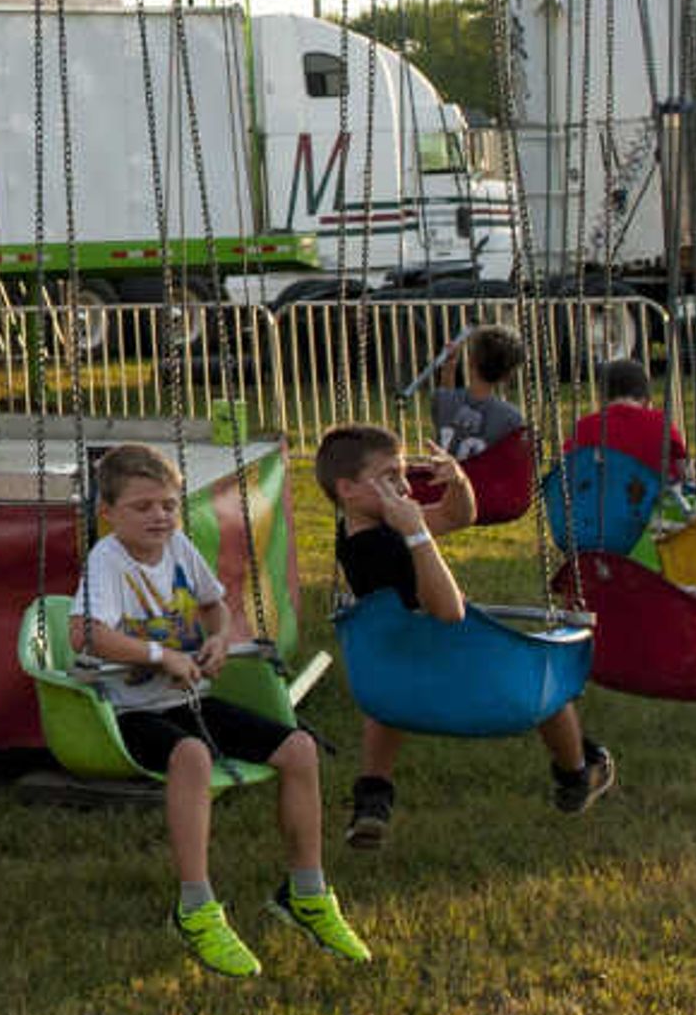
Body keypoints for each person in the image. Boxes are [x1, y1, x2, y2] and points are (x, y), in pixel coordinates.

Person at [69, 443, 368, 978]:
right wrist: (161, 656)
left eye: (168, 504)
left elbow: (215, 607)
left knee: (299, 748)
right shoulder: (106, 561)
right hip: (132, 711)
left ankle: (304, 892)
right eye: (142, 507)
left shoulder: (179, 548)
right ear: (108, 514)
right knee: (192, 758)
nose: (159, 516)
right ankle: (196, 907)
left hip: (191, 699)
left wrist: (219, 641)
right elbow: (85, 633)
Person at [314, 422, 612, 850]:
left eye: (403, 473)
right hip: (468, 676)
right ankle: (575, 773)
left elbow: (458, 515)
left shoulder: (361, 530)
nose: (405, 487)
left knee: (390, 670)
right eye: (389, 477)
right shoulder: (385, 546)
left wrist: (457, 480)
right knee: (543, 672)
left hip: (399, 678)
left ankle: (373, 796)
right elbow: (450, 611)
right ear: (348, 489)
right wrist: (417, 534)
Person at [560, 354, 690, 481]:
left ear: (602, 395)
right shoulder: (659, 422)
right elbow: (683, 469)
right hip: (656, 500)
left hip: (600, 500)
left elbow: (565, 470)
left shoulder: (584, 427)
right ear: (646, 395)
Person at [429, 326, 530, 464]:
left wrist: (450, 366)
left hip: (443, 483)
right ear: (508, 375)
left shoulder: (441, 400)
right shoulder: (511, 419)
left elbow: (448, 398)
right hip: (484, 484)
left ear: (471, 361)